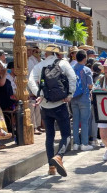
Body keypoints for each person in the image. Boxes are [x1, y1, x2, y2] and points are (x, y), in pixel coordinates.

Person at [28, 44, 77, 177]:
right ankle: (59, 156)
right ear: (57, 54)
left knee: (49, 136)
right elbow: (73, 78)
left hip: (45, 106)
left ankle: (51, 167)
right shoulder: (63, 64)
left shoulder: (39, 66)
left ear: (46, 54)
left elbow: (30, 81)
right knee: (66, 134)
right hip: (60, 104)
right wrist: (70, 94)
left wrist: (40, 94)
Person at [71, 50, 94, 151]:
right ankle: (84, 144)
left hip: (73, 97)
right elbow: (90, 85)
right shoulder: (87, 70)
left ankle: (76, 143)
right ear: (85, 58)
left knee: (75, 120)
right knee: (84, 121)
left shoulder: (71, 69)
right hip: (84, 98)